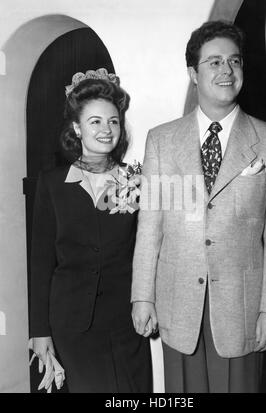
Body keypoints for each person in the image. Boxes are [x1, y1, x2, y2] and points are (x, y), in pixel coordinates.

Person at [131, 21, 266, 393]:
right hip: (178, 306)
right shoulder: (161, 140)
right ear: (193, 73)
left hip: (242, 310)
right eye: (214, 62)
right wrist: (142, 296)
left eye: (234, 61)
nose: (226, 71)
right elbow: (150, 228)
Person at [29, 68, 152, 393]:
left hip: (126, 321)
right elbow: (41, 262)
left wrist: (147, 301)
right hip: (72, 324)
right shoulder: (52, 183)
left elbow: (149, 250)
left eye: (113, 121)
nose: (106, 129)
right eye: (95, 121)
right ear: (77, 128)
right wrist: (39, 330)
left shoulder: (135, 180)